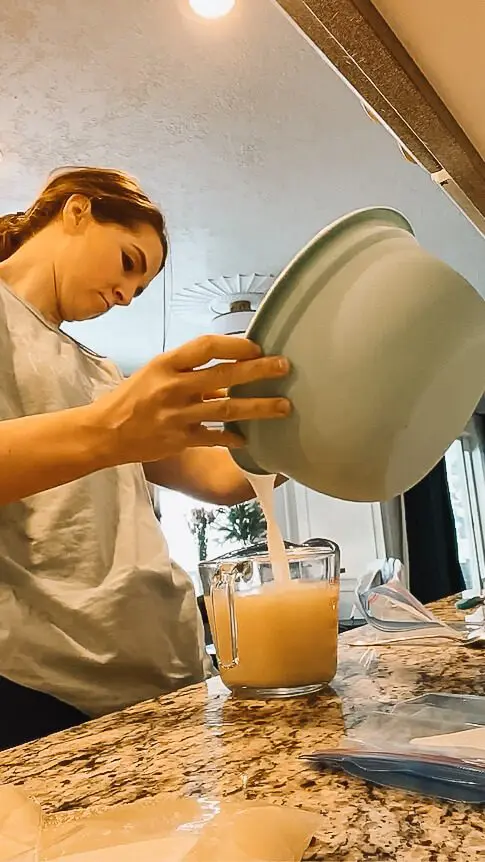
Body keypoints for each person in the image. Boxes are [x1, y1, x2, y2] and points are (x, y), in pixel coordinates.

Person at [0, 166, 291, 748]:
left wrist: (310, 434)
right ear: (77, 211)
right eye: (130, 262)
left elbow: (218, 475)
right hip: (45, 686)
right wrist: (111, 426)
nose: (127, 296)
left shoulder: (102, 372)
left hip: (162, 677)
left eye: (141, 288)